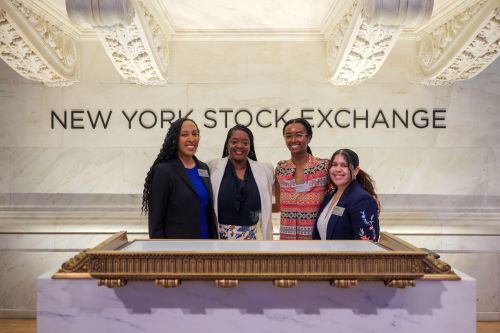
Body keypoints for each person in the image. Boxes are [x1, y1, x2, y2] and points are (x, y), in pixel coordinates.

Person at [142, 118, 218, 239]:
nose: (191, 139)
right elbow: (156, 223)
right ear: (175, 138)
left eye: (195, 134)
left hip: (207, 244)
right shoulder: (163, 171)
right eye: (184, 135)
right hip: (179, 250)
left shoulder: (203, 168)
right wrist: (161, 254)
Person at [208, 125, 274, 240]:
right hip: (218, 240)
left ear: (250, 145)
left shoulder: (265, 170)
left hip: (252, 241)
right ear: (227, 144)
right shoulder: (211, 167)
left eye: (245, 142)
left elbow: (271, 204)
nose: (239, 146)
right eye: (234, 142)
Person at [274, 118, 329, 240]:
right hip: (287, 239)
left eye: (298, 135)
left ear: (309, 138)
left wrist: (370, 196)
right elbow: (279, 205)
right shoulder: (281, 169)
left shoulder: (323, 167)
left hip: (315, 240)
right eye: (288, 136)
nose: (293, 140)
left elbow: (346, 185)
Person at [313, 148, 380, 241]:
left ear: (356, 170)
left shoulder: (362, 199)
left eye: (344, 165)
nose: (338, 169)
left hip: (346, 256)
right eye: (334, 164)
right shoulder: (330, 194)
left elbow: (367, 245)